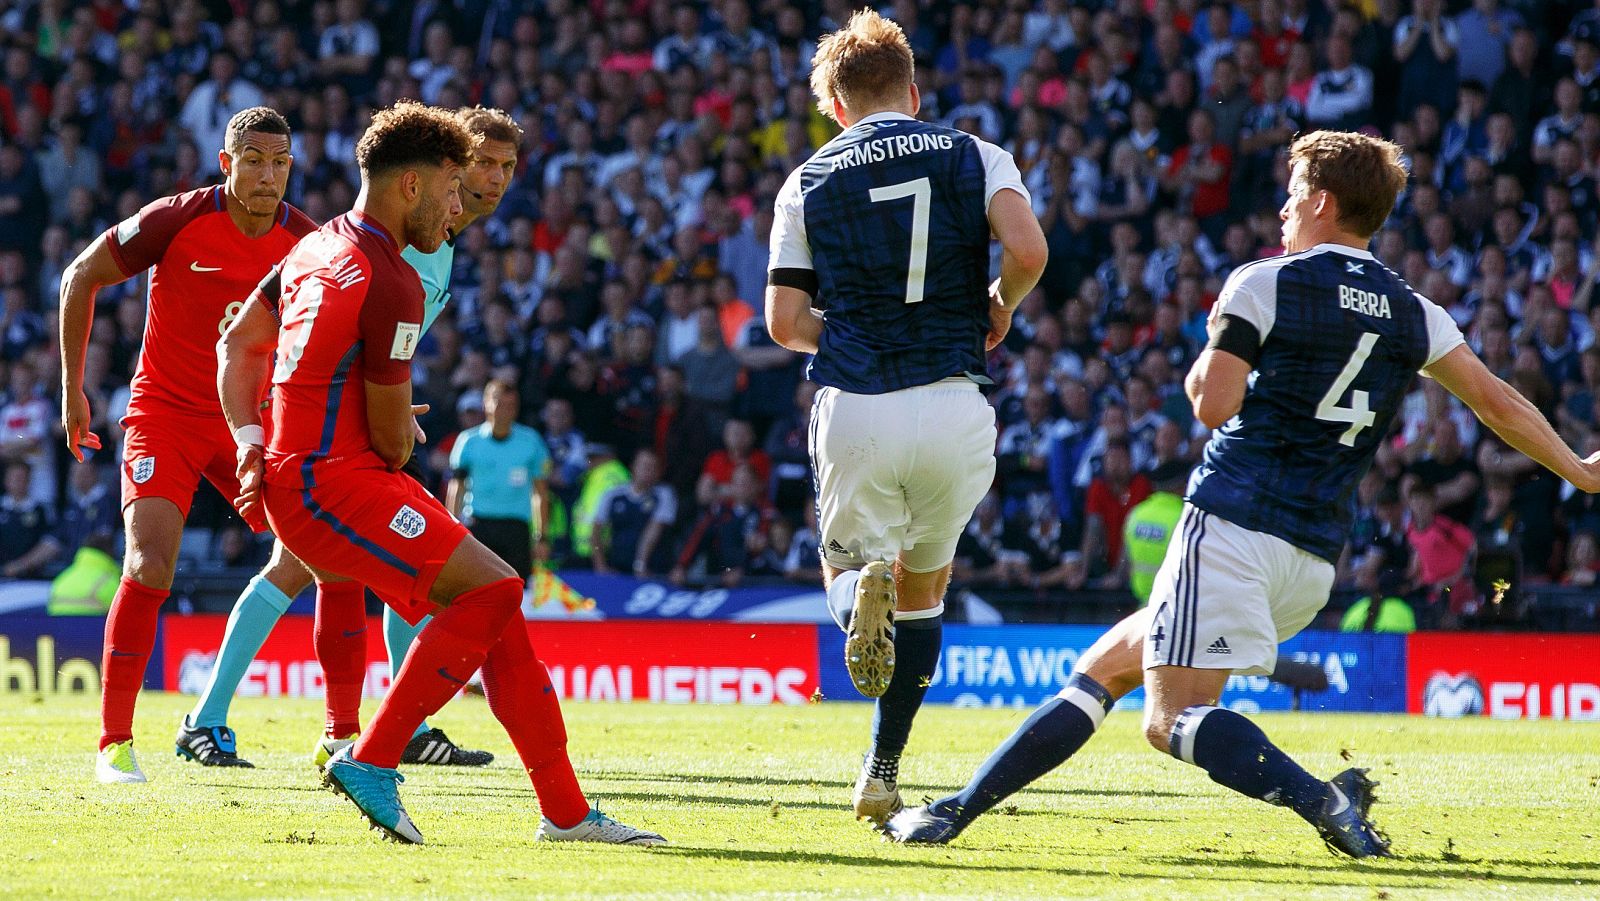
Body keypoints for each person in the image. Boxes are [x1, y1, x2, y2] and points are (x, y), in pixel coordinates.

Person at [886, 130, 1600, 856]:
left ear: (1323, 201)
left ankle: (1325, 800)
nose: (1284, 208)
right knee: (1105, 668)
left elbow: (1212, 405)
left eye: (1293, 193)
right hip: (1313, 558)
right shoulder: (1414, 311)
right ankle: (953, 811)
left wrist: (1206, 358)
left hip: (1232, 526)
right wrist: (1579, 467)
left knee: (1171, 720)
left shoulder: (1265, 283)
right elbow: (1496, 402)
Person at [218, 101, 663, 846]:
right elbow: (394, 440)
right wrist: (371, 429)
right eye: (455, 185)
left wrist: (249, 438)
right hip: (335, 485)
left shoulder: (313, 245)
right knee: (494, 587)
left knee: (499, 613)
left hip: (312, 476)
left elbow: (238, 345)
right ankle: (372, 755)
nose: (463, 204)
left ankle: (565, 810)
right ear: (413, 187)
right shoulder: (392, 279)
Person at [764, 10, 1047, 824]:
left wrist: (853, 331)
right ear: (913, 92)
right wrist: (996, 306)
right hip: (957, 403)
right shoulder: (974, 152)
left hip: (860, 403)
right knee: (926, 593)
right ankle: (883, 769)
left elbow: (784, 322)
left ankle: (857, 597)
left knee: (848, 571)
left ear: (837, 107)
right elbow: (1028, 253)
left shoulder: (809, 179)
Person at [179, 106, 522, 770]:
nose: (491, 179)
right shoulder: (408, 244)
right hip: (325, 434)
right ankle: (215, 715)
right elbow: (338, 333)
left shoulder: (435, 242)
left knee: (346, 569)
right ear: (438, 172)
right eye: (480, 163)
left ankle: (347, 728)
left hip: (348, 423)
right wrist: (376, 410)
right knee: (348, 564)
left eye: (506, 167)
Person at [56, 107, 318, 784]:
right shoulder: (176, 218)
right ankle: (114, 744)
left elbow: (346, 331)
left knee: (323, 550)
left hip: (247, 425)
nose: (267, 174)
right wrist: (72, 390)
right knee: (150, 564)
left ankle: (338, 734)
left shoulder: (307, 241)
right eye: (253, 160)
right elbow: (78, 276)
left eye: (280, 161)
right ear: (226, 163)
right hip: (165, 414)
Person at [446, 379, 551, 579]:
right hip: (479, 525)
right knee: (476, 586)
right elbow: (456, 487)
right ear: (486, 403)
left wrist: (541, 536)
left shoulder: (531, 442)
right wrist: (452, 529)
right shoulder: (468, 441)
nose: (504, 410)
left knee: (516, 589)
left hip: (516, 528)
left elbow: (540, 492)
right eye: (499, 403)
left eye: (510, 405)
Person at [1122, 459, 1188, 605]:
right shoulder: (1184, 518)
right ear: (1181, 487)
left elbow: (1126, 562)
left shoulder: (1136, 514)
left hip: (1142, 607)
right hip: (1174, 608)